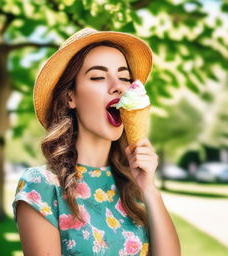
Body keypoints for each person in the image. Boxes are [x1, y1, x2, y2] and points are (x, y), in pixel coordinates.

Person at [12, 28, 181, 256]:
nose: (118, 86)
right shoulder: (41, 185)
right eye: (98, 77)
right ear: (70, 97)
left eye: (124, 77)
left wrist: (149, 189)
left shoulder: (133, 186)